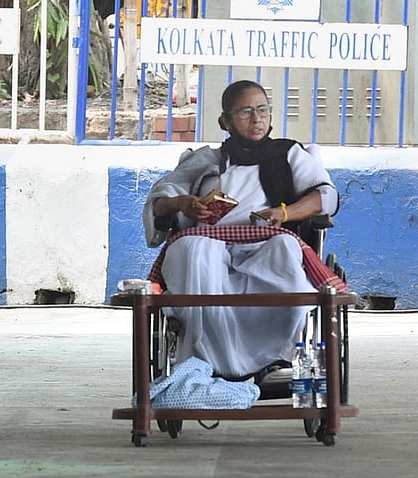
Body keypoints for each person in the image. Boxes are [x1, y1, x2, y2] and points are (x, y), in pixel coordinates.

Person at [141, 80, 342, 382]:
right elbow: (160, 202)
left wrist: (285, 212)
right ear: (225, 121)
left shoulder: (289, 154)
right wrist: (182, 203)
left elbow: (325, 197)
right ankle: (201, 358)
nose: (257, 118)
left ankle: (277, 357)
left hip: (267, 241)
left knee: (286, 250)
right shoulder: (207, 161)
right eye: (246, 112)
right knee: (191, 249)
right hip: (211, 244)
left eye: (263, 110)